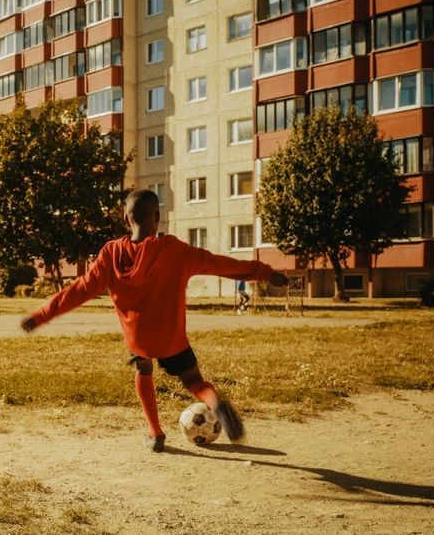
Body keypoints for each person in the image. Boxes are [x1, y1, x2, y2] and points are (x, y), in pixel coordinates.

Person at [20, 189, 288, 453]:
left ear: (125, 219)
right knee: (194, 381)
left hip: (139, 339)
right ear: (157, 216)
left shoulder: (111, 254)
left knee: (143, 369)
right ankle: (215, 404)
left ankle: (155, 433)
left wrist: (41, 315)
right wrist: (263, 272)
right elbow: (220, 264)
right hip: (171, 338)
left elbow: (78, 290)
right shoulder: (175, 251)